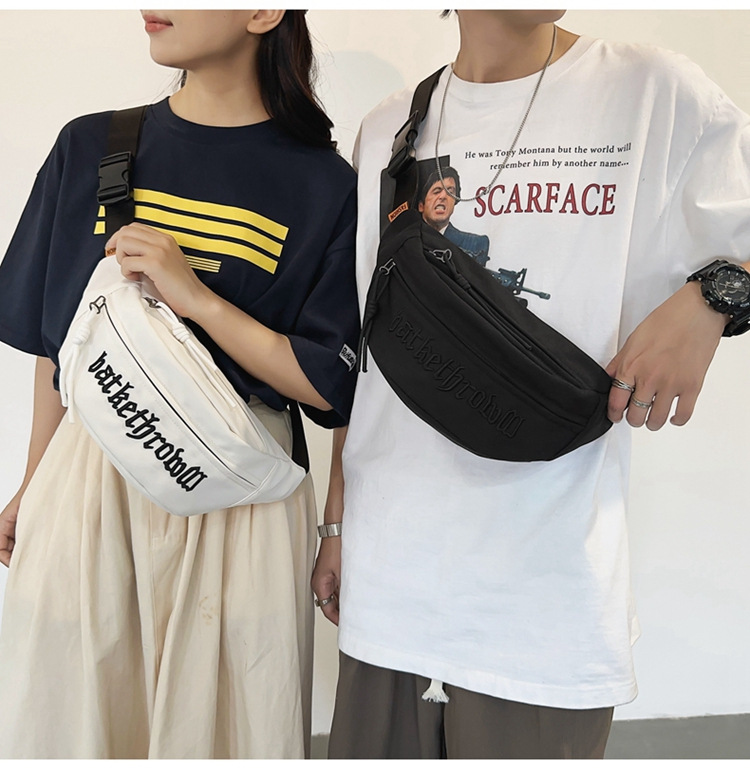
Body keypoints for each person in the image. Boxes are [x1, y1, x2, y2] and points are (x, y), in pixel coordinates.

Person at [312, 9, 750, 759]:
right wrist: (338, 524)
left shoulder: (654, 91)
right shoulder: (388, 130)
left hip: (545, 595)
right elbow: (370, 351)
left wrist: (713, 299)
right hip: (391, 579)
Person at [0, 10, 359, 759]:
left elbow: (329, 386)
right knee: (74, 727)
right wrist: (32, 487)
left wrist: (197, 298)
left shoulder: (323, 183)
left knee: (224, 733)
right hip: (92, 484)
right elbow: (60, 348)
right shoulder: (91, 145)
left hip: (241, 495)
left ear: (264, 12)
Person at [417, 166, 490, 266]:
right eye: (437, 191)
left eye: (450, 192)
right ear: (421, 206)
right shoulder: (407, 241)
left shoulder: (476, 243)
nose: (443, 196)